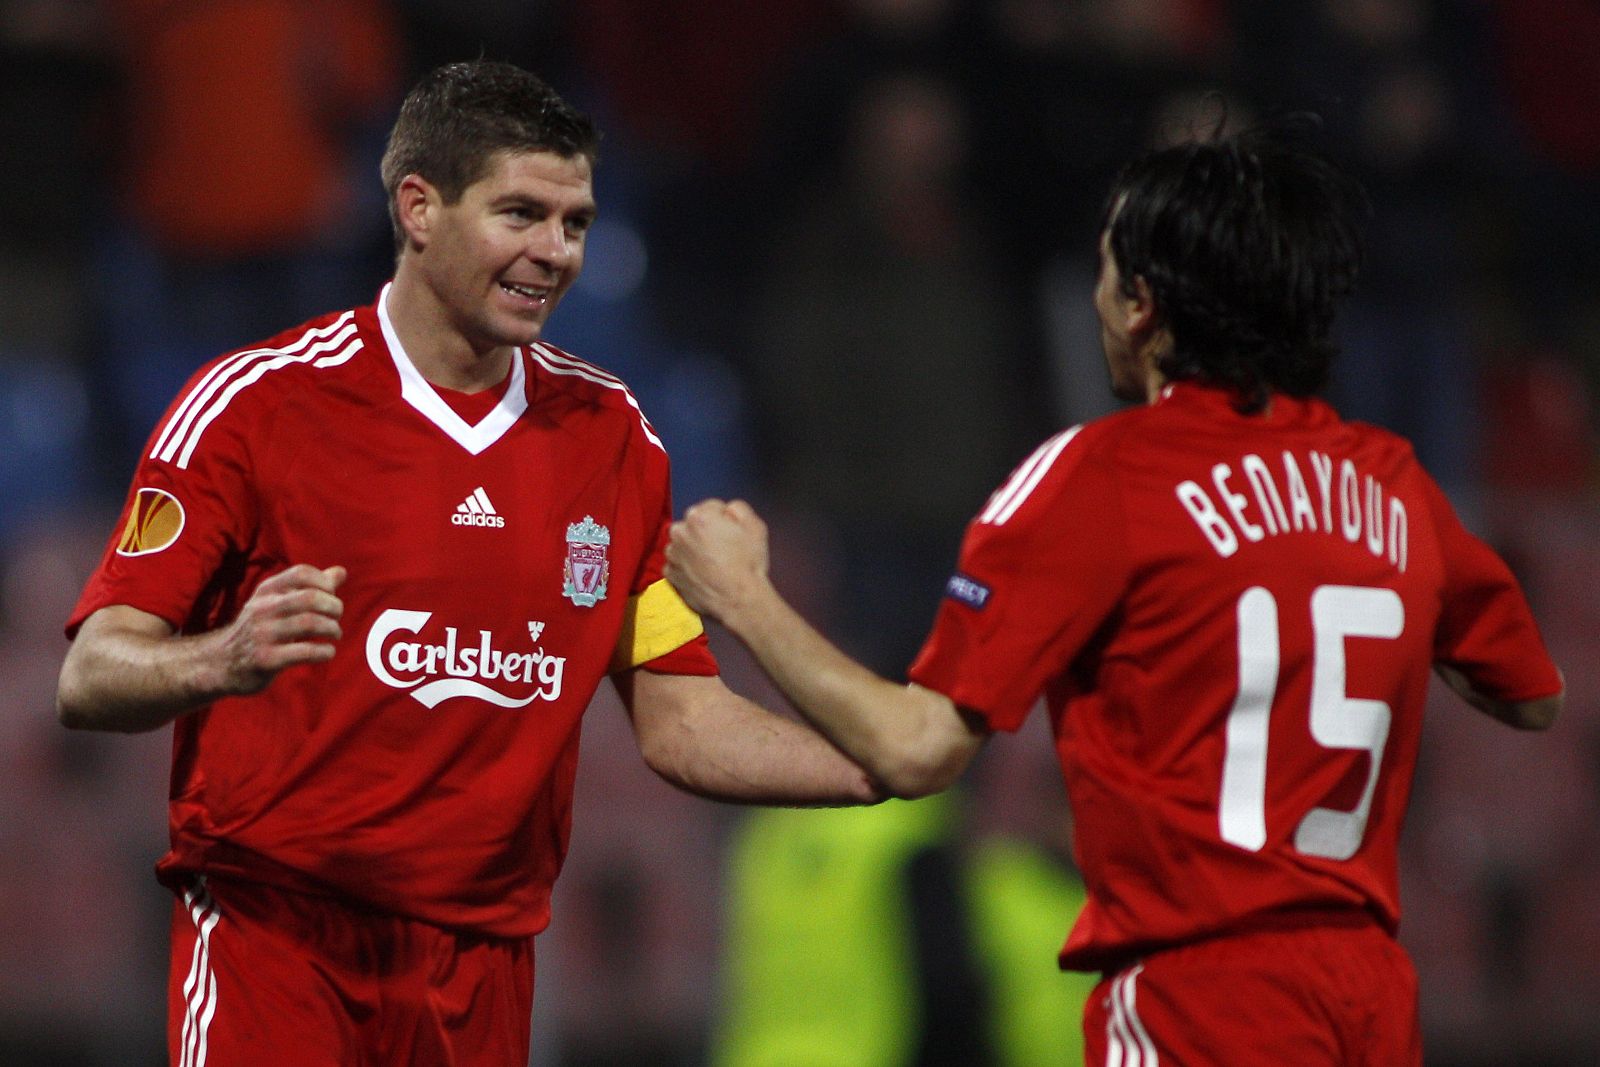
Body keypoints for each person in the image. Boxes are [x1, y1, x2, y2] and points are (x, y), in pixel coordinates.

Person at [664, 119, 1565, 1066]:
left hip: (1197, 995)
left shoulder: (1101, 479)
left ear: (1143, 304)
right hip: (1368, 999)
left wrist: (745, 598)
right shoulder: (1391, 485)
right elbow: (1531, 694)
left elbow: (917, 748)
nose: (1093, 300)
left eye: (1103, 270)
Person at [55, 60, 879, 1067]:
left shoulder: (613, 438)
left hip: (481, 972)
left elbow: (682, 716)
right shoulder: (253, 406)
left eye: (574, 221)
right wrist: (223, 656)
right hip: (280, 942)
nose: (555, 251)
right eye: (521, 213)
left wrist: (874, 758)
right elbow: (94, 670)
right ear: (418, 208)